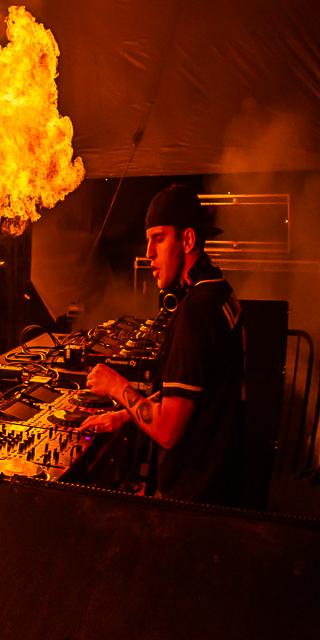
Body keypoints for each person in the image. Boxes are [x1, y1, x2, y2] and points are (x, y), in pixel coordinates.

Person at [81, 185, 252, 506]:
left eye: (158, 238)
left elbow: (168, 432)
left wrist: (117, 386)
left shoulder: (194, 314)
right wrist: (124, 416)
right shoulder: (220, 292)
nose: (148, 252)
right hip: (223, 484)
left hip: (194, 500)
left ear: (187, 240)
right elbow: (193, 391)